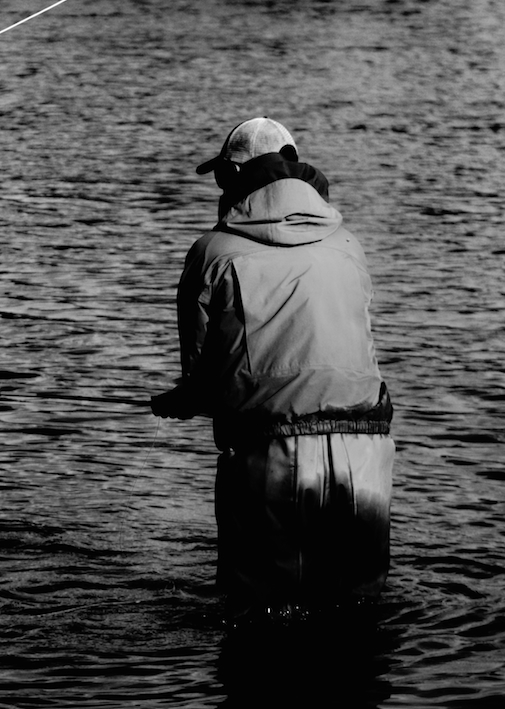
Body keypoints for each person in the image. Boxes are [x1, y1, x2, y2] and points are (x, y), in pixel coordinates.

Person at [151, 117, 395, 614]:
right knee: (360, 620)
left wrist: (178, 401)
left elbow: (202, 382)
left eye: (222, 178)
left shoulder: (211, 252)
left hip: (269, 460)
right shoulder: (349, 245)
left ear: (234, 177)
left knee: (260, 623)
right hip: (368, 454)